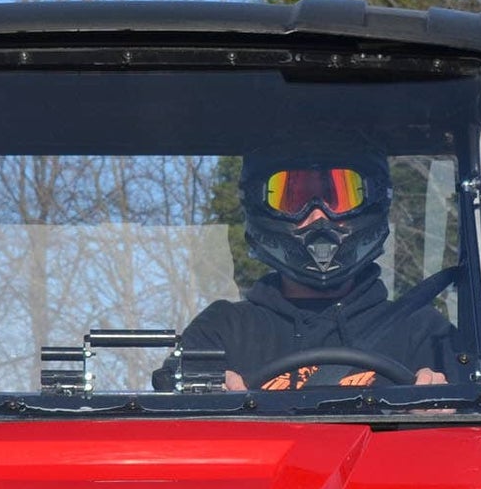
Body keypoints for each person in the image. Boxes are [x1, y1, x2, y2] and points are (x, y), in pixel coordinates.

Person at [164, 154, 465, 391]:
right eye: (293, 198)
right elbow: (169, 408)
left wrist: (436, 401)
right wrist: (208, 395)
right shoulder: (224, 332)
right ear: (261, 205)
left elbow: (476, 432)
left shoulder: (422, 334)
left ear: (371, 201)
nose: (318, 216)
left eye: (339, 197)